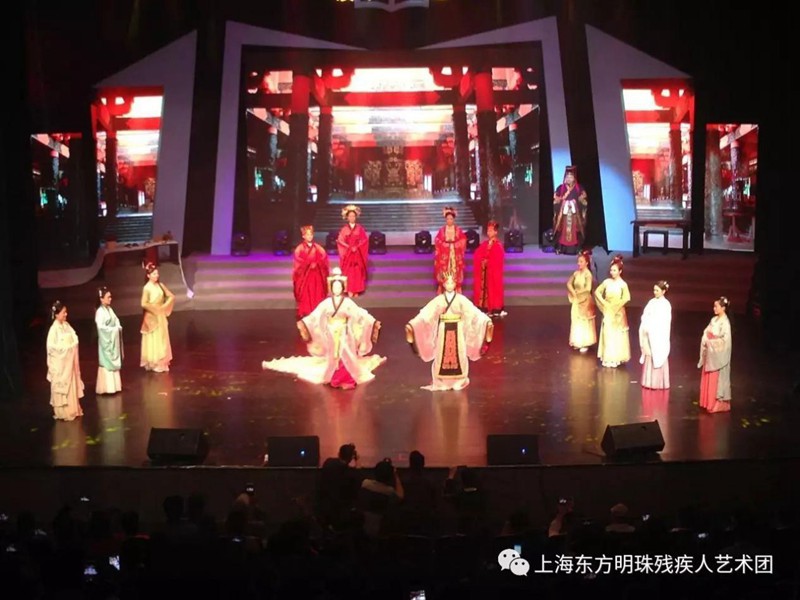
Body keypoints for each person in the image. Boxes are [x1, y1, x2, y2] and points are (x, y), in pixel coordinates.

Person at [263, 267, 386, 389]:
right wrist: (305, 324)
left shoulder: (348, 302)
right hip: (331, 333)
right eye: (334, 287)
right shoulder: (326, 303)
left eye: (339, 287)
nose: (337, 289)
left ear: (342, 288)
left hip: (345, 333)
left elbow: (359, 314)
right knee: (333, 355)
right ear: (331, 288)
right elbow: (315, 316)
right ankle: (332, 377)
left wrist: (372, 322)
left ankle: (346, 377)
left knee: (346, 354)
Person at [406, 272, 493, 391]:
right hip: (443, 330)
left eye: (452, 282)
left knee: (459, 353)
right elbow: (426, 313)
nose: (450, 285)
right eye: (448, 282)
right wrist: (413, 324)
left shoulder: (461, 300)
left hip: (458, 330)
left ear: (456, 283)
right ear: (443, 284)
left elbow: (474, 313)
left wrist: (486, 321)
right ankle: (441, 381)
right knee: (441, 354)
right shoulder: (439, 300)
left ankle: (459, 380)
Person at [46, 301, 85, 421]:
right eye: (64, 312)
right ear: (57, 314)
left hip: (69, 363)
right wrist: (66, 348)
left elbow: (74, 336)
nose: (66, 314)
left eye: (66, 312)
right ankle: (62, 412)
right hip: (61, 365)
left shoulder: (66, 325)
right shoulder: (53, 330)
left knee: (71, 384)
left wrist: (72, 345)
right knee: (62, 387)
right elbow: (51, 348)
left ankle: (73, 409)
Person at [594, 254, 631, 368]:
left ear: (620, 271)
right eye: (611, 270)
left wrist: (616, 306)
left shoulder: (623, 284)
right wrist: (604, 303)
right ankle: (608, 357)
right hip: (608, 311)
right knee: (607, 333)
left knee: (616, 334)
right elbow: (597, 292)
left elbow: (627, 298)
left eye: (614, 270)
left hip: (618, 312)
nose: (612, 272)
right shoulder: (607, 282)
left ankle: (616, 357)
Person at [698, 296, 732, 413]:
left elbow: (725, 341)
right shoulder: (714, 320)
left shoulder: (725, 323)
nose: (714, 308)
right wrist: (706, 338)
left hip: (717, 357)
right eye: (714, 306)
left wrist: (712, 342)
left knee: (716, 380)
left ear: (723, 308)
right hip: (710, 354)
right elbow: (706, 331)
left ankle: (717, 403)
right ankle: (706, 402)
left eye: (716, 306)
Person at [140, 263, 174, 372]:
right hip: (152, 316)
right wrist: (155, 309)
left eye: (157, 273)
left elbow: (171, 296)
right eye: (154, 274)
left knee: (162, 338)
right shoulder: (147, 288)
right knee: (154, 338)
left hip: (160, 315)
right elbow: (143, 303)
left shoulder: (160, 285)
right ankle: (154, 362)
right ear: (148, 275)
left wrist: (163, 307)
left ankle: (162, 362)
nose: (156, 275)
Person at [639, 280, 672, 389]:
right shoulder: (652, 302)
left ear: (663, 291)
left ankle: (657, 382)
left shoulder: (666, 305)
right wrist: (646, 325)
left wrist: (653, 327)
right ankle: (648, 381)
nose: (655, 292)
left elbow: (664, 321)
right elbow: (645, 315)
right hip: (649, 333)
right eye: (654, 290)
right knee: (649, 354)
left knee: (657, 354)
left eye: (657, 290)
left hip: (658, 334)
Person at [293, 225, 330, 320]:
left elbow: (324, 257)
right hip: (305, 276)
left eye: (311, 234)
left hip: (316, 274)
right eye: (307, 235)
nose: (309, 236)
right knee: (305, 293)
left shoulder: (318, 247)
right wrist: (309, 264)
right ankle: (306, 310)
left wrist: (317, 263)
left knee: (317, 292)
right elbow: (298, 261)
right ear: (303, 236)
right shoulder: (299, 248)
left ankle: (317, 310)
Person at [472, 220, 506, 318]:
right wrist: (482, 261)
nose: (489, 232)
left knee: (493, 288)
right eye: (488, 230)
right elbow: (477, 254)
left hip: (492, 273)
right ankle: (484, 307)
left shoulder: (498, 245)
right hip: (484, 272)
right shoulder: (485, 244)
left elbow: (497, 260)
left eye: (491, 231)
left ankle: (495, 307)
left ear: (496, 232)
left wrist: (488, 262)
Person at [553, 165, 588, 255]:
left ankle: (578, 248)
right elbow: (555, 200)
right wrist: (563, 202)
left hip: (575, 216)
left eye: (571, 177)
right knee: (561, 230)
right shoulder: (560, 188)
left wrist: (574, 203)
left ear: (574, 178)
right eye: (567, 177)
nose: (569, 179)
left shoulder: (579, 188)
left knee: (576, 230)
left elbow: (584, 201)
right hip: (563, 215)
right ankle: (560, 248)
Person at [566, 249, 596, 352]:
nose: (579, 263)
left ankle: (584, 342)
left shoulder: (588, 274)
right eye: (578, 261)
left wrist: (579, 293)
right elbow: (569, 283)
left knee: (584, 320)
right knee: (576, 319)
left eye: (581, 261)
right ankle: (577, 341)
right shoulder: (576, 273)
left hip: (585, 300)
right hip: (577, 299)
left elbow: (588, 288)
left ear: (586, 262)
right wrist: (574, 293)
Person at [95, 286, 123, 394]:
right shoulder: (99, 312)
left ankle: (115, 387)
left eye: (110, 297)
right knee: (106, 363)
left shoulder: (110, 310)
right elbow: (100, 328)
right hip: (106, 341)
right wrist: (113, 330)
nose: (110, 299)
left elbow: (116, 320)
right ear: (101, 299)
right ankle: (107, 388)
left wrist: (117, 327)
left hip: (112, 339)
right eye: (108, 297)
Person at [336, 204, 368, 298]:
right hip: (348, 253)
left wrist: (357, 247)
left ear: (356, 217)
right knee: (349, 271)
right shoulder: (344, 229)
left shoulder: (360, 228)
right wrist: (349, 247)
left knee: (357, 271)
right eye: (350, 216)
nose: (352, 218)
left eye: (353, 216)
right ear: (347, 217)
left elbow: (364, 240)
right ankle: (349, 289)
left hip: (357, 252)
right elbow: (340, 241)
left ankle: (356, 289)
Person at [434, 206, 467, 293]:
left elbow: (463, 240)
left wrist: (455, 245)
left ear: (454, 220)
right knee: (443, 269)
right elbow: (437, 240)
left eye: (451, 219)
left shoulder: (458, 230)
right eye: (448, 219)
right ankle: (442, 286)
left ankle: (457, 287)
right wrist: (445, 245)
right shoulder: (442, 230)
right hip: (445, 253)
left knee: (455, 270)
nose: (449, 221)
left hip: (454, 253)